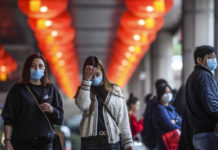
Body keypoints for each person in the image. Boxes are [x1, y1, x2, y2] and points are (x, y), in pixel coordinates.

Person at [1, 53, 64, 150]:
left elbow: (60, 119)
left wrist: (52, 110)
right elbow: (8, 118)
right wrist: (7, 141)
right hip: (21, 143)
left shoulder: (51, 89)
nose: (37, 69)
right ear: (27, 68)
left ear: (44, 69)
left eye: (40, 66)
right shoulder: (18, 90)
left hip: (45, 143)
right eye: (33, 66)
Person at [75, 56, 133, 150]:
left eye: (97, 74)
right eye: (91, 75)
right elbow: (83, 105)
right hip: (90, 142)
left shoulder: (115, 90)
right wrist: (86, 81)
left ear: (103, 72)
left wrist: (128, 143)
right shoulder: (83, 90)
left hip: (112, 140)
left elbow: (123, 118)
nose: (94, 77)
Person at [185, 45, 218, 150]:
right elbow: (212, 104)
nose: (213, 60)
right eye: (209, 57)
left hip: (197, 133)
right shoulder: (204, 75)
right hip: (208, 133)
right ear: (199, 60)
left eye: (214, 57)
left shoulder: (192, 76)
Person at [152, 83, 182, 150]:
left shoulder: (170, 108)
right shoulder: (159, 108)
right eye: (165, 92)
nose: (168, 94)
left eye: (169, 92)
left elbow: (181, 119)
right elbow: (168, 124)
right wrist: (180, 127)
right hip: (165, 142)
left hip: (173, 140)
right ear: (160, 94)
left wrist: (176, 121)